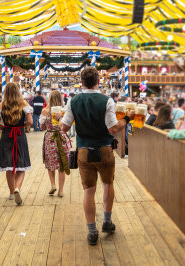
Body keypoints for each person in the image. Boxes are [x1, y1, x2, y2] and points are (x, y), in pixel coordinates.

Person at [60, 67, 135, 246]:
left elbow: (63, 128)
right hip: (104, 150)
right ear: (98, 81)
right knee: (108, 184)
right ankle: (107, 222)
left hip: (84, 151)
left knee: (88, 191)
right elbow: (113, 129)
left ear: (82, 81)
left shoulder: (73, 101)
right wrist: (127, 118)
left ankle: (92, 232)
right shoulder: (106, 101)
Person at [0, 82, 33, 205]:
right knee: (21, 164)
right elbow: (30, 122)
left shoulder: (0, 106)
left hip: (6, 135)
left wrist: (5, 128)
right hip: (20, 135)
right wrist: (21, 126)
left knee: (9, 166)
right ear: (18, 92)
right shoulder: (24, 104)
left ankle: (11, 193)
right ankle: (17, 188)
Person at [40, 90, 71, 197]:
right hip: (62, 137)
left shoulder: (45, 111)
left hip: (50, 138)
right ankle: (61, 190)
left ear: (50, 98)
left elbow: (42, 127)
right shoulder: (64, 111)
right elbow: (68, 125)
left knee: (50, 163)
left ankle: (53, 185)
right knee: (62, 163)